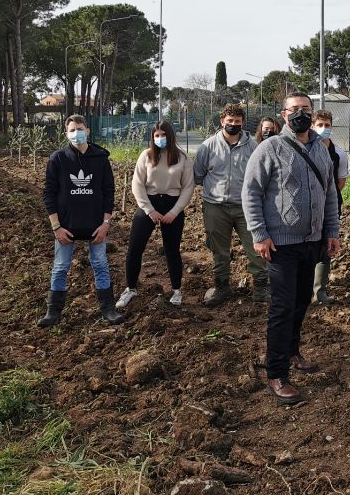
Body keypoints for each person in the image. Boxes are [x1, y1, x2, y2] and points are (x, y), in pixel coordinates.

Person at [242, 92, 340, 404]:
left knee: (300, 301)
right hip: (280, 244)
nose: (301, 114)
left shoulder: (321, 150)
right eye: (294, 110)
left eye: (306, 110)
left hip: (311, 242)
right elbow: (251, 192)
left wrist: (332, 231)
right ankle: (276, 372)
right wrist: (259, 233)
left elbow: (329, 195)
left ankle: (293, 351)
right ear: (284, 114)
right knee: (282, 308)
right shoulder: (270, 148)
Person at [38, 114, 124, 327]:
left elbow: (108, 192)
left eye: (80, 129)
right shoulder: (58, 159)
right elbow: (49, 193)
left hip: (95, 226)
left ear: (88, 131)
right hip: (66, 226)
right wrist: (56, 227)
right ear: (66, 134)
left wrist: (106, 224)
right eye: (71, 130)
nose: (76, 133)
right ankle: (53, 311)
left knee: (100, 264)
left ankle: (108, 309)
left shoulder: (101, 159)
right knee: (60, 267)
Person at [194, 103, 270, 306]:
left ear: (243, 122)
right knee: (219, 250)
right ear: (222, 122)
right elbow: (199, 175)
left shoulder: (253, 146)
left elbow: (260, 173)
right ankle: (221, 287)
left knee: (255, 247)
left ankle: (261, 287)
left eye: (237, 121)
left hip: (246, 207)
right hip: (215, 206)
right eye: (230, 121)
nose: (233, 125)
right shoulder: (208, 146)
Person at [116, 120, 195, 308]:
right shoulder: (146, 156)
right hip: (149, 204)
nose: (160, 138)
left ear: (171, 135)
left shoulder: (182, 158)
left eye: (163, 134)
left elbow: (188, 187)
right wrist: (148, 209)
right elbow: (137, 184)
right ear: (152, 137)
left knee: (172, 250)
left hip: (172, 206)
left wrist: (174, 212)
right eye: (156, 135)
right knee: (135, 248)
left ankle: (176, 291)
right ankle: (131, 288)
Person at [311, 109, 348, 305]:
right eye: (320, 125)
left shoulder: (339, 153)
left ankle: (320, 289)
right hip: (308, 206)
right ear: (312, 126)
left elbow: (340, 182)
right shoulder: (304, 148)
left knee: (327, 245)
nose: (324, 129)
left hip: (330, 206)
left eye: (327, 125)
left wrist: (328, 197)